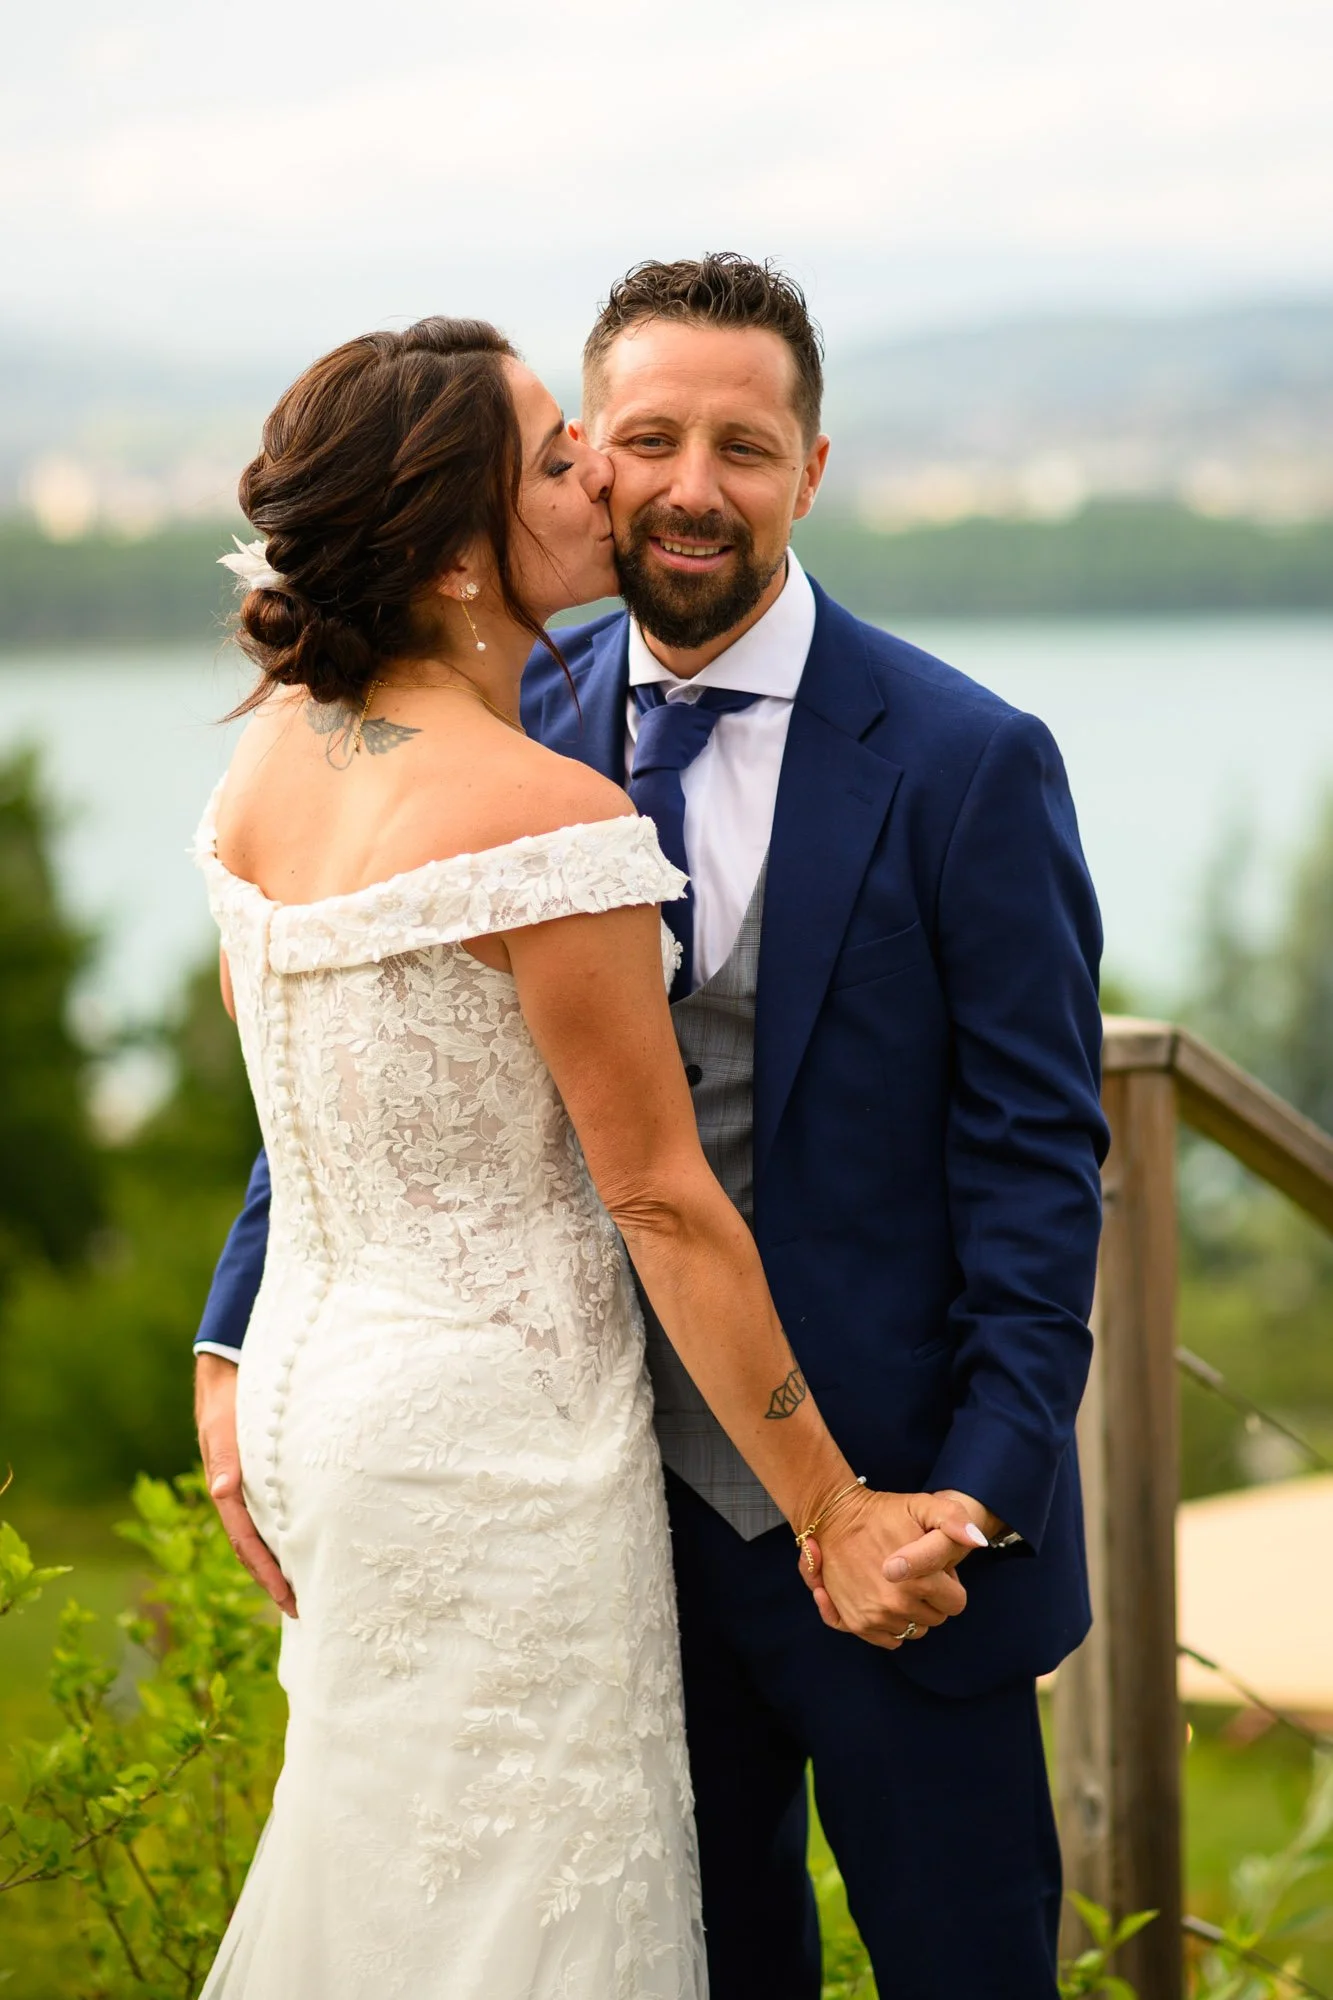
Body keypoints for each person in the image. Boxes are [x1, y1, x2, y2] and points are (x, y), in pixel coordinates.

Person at [190, 312, 983, 2000]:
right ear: (463, 548)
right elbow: (659, 1196)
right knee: (531, 1904)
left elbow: (320, 1095)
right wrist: (833, 1508)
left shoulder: (260, 764)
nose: (608, 482)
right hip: (504, 1454)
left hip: (327, 1411)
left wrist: (235, 1357)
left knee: (388, 1867)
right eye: (562, 456)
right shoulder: (547, 815)